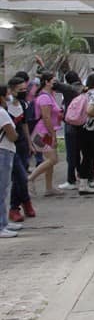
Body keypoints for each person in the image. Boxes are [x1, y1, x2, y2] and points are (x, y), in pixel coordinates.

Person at [27, 72, 65, 196]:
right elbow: (46, 117)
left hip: (46, 132)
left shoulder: (49, 95)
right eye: (53, 81)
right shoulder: (44, 98)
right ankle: (30, 179)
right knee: (53, 159)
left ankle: (49, 188)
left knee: (50, 159)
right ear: (47, 82)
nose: (55, 83)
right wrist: (53, 135)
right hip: (43, 133)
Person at [7, 77, 34, 223]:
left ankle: (25, 202)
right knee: (20, 177)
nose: (23, 92)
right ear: (11, 90)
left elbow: (25, 126)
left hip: (22, 144)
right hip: (9, 145)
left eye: (25, 89)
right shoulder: (5, 106)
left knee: (21, 176)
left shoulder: (23, 105)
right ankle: (15, 206)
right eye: (20, 90)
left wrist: (30, 144)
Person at [54, 72, 85, 190]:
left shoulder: (68, 89)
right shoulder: (82, 88)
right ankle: (84, 176)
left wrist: (41, 65)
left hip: (71, 124)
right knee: (81, 152)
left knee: (71, 154)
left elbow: (54, 83)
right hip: (82, 124)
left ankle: (71, 180)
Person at [0, 85, 23, 238]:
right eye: (7, 94)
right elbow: (12, 135)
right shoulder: (2, 113)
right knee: (2, 190)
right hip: (4, 151)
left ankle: (4, 222)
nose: (9, 97)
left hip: (5, 151)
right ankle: (1, 226)